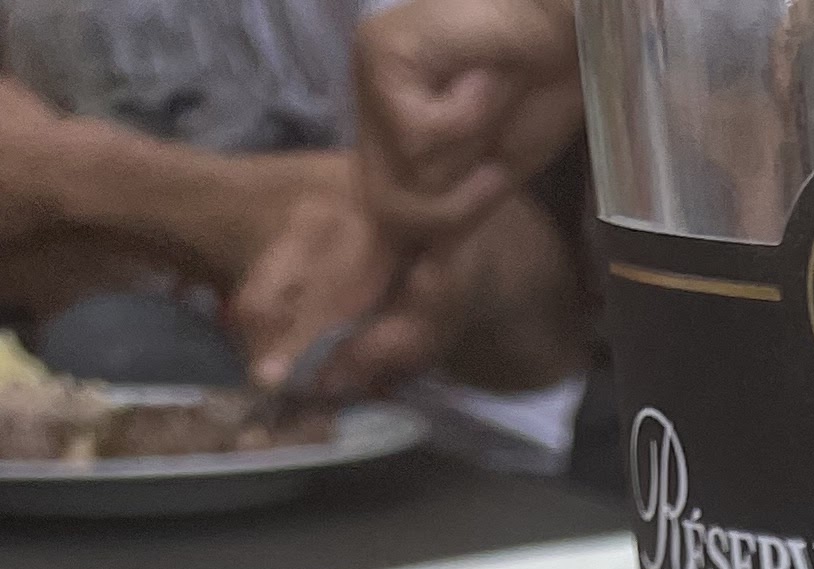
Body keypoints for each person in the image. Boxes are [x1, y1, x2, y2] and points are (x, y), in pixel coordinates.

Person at [0, 0, 585, 450]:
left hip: (449, 457)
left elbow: (546, 327)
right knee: (109, 336)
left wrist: (435, 250)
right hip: (68, 421)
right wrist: (209, 204)